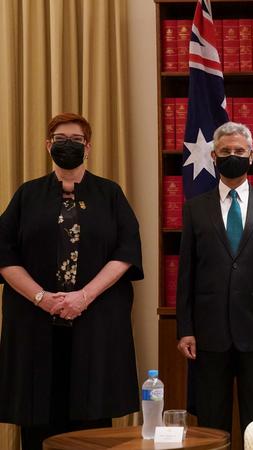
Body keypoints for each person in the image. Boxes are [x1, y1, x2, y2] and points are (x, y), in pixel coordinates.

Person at [0, 113, 144, 450]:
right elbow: (4, 255)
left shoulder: (110, 193)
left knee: (92, 427)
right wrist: (42, 298)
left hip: (95, 327)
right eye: (61, 139)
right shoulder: (27, 195)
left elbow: (126, 252)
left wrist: (83, 297)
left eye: (76, 140)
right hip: (35, 327)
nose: (68, 145)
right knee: (39, 422)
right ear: (48, 145)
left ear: (88, 146)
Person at [175, 122, 253, 435]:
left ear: (251, 155)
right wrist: (185, 329)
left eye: (239, 151)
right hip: (209, 333)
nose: (232, 156)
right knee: (212, 420)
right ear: (213, 156)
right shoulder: (195, 209)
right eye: (225, 151)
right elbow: (186, 273)